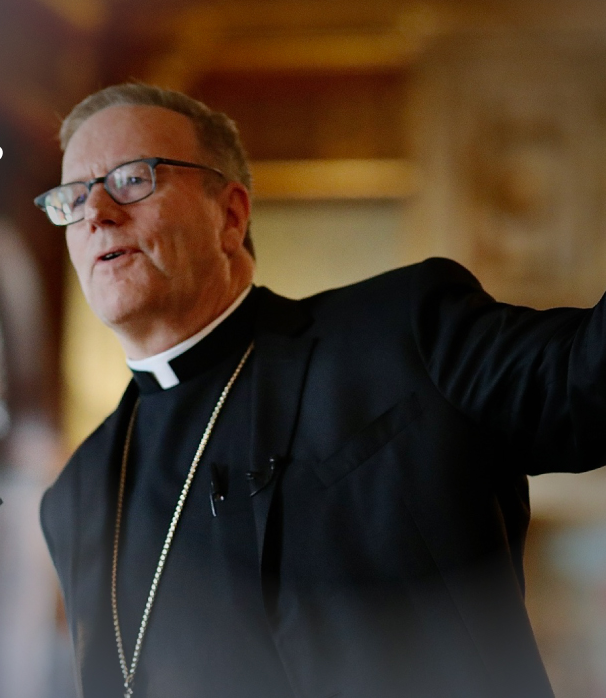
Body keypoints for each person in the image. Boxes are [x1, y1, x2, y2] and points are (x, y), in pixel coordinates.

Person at [35, 83, 606, 698]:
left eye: (130, 179)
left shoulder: (402, 335)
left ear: (230, 215)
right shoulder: (78, 494)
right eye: (71, 199)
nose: (96, 213)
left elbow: (589, 379)